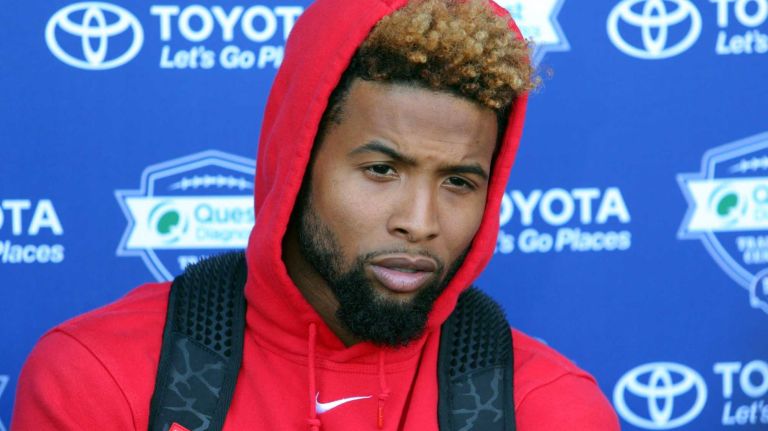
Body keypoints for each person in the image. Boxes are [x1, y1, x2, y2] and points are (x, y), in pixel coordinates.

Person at [12, 0, 620, 429]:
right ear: (296, 163)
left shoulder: (549, 408)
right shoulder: (102, 378)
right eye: (382, 170)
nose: (420, 221)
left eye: (459, 181)